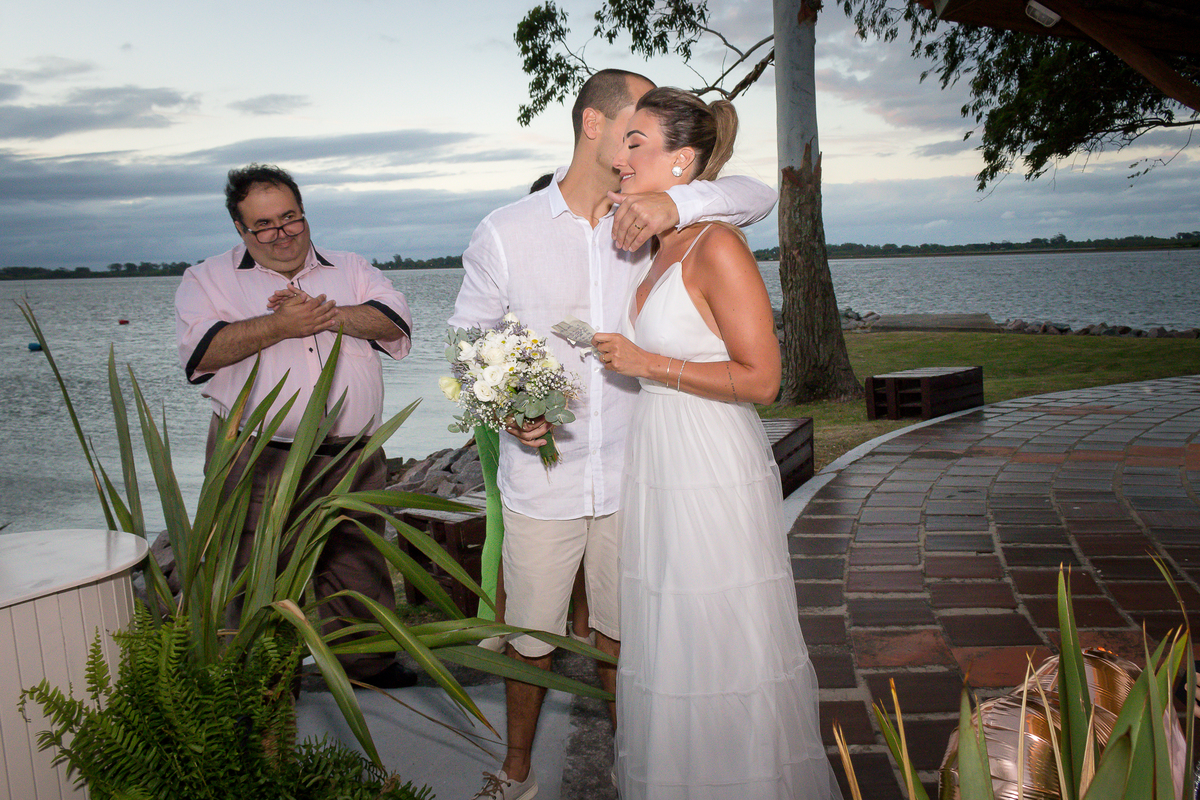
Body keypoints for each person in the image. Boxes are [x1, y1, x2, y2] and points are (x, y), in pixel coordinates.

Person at [452, 70, 776, 800]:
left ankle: (638, 767)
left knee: (626, 631)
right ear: (595, 125)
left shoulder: (654, 223)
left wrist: (677, 199)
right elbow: (467, 342)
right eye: (633, 123)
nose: (637, 142)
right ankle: (517, 771)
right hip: (544, 479)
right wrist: (508, 409)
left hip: (639, 471)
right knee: (530, 636)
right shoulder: (505, 230)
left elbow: (757, 195)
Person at [592, 87, 841, 799]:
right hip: (660, 458)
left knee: (717, 630)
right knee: (671, 631)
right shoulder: (655, 249)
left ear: (683, 161)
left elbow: (764, 379)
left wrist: (647, 364)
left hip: (710, 461)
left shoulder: (717, 244)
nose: (621, 156)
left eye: (636, 142)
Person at [174, 163, 418, 689]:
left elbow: (394, 321)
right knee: (250, 573)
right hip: (255, 458)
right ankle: (259, 683)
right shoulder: (205, 279)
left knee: (358, 565)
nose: (281, 234)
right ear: (240, 229)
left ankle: (368, 671)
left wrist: (325, 314)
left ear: (304, 214)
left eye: (290, 218)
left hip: (352, 455)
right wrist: (280, 325)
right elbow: (201, 354)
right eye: (263, 225)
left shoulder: (350, 267)